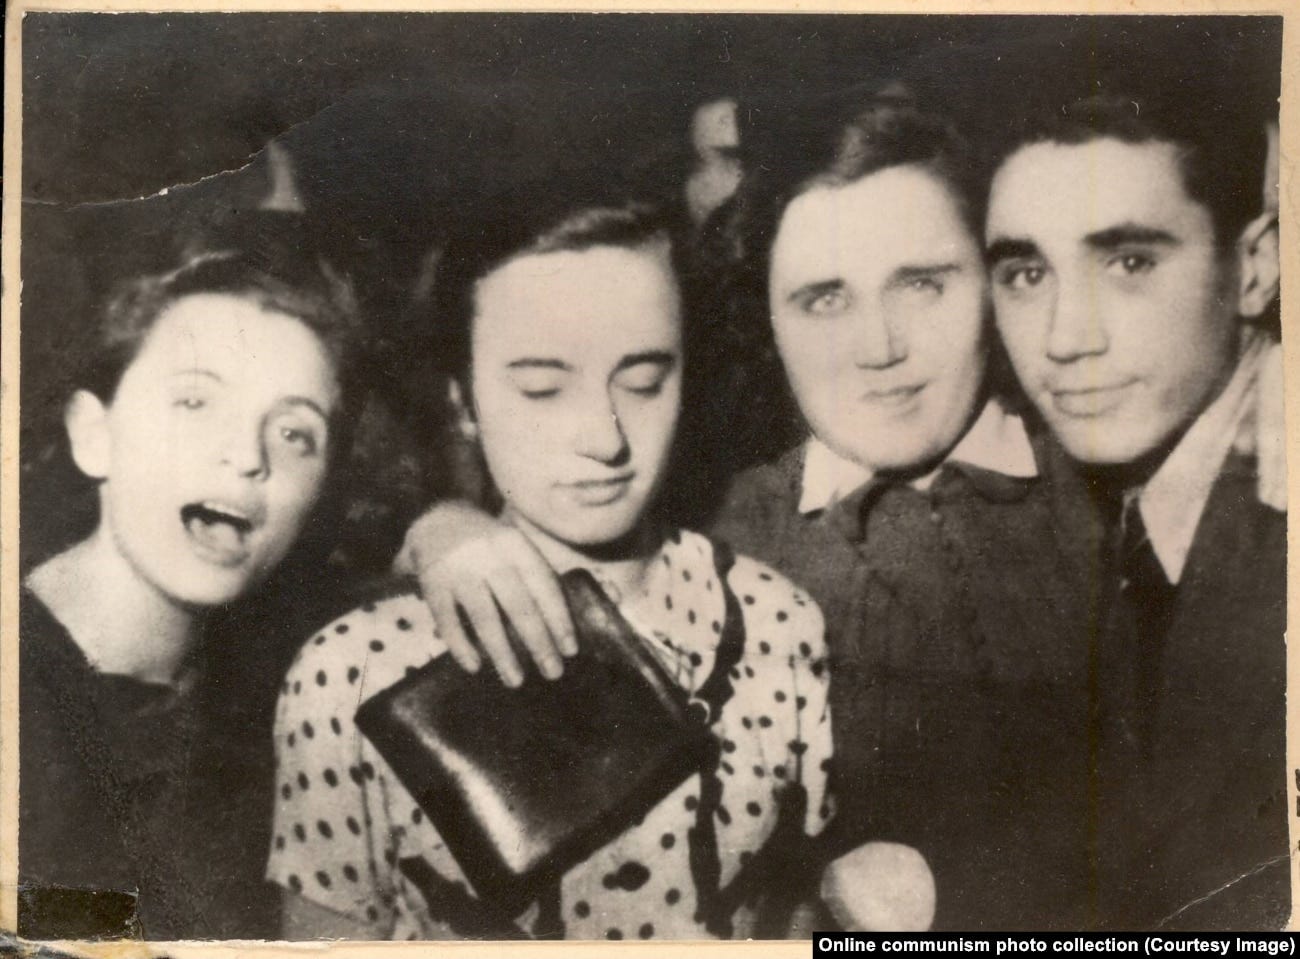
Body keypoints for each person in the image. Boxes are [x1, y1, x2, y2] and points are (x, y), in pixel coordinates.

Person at [394, 96, 1101, 929]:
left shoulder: (1114, 494)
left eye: (921, 282)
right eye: (823, 299)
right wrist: (440, 526)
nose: (880, 348)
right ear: (762, 316)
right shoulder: (720, 531)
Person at [267, 181, 835, 941]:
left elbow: (797, 911)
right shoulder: (348, 675)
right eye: (542, 387)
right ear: (462, 402)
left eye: (643, 379)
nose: (603, 436)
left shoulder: (780, 622)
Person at [985, 91, 1287, 929]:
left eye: (1128, 263)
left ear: (1257, 267)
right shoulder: (1101, 487)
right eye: (1025, 274)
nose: (1064, 337)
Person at [18, 229, 366, 940]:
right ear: (94, 434)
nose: (246, 456)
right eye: (195, 402)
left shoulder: (280, 688)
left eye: (295, 433)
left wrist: (452, 532)